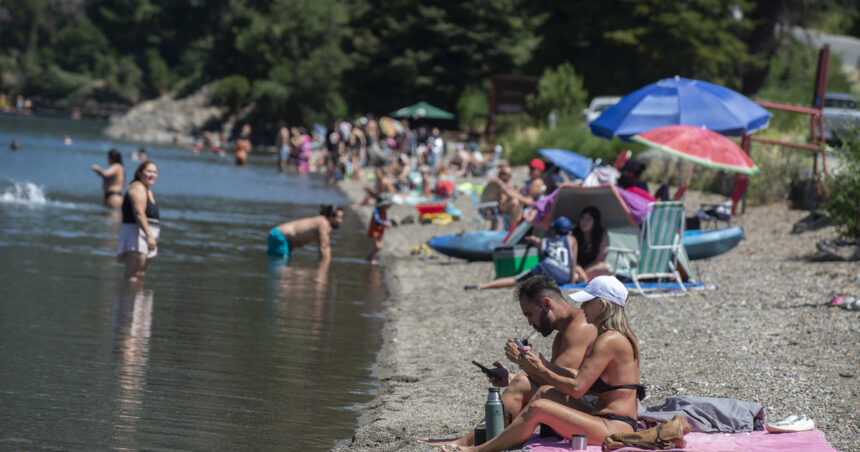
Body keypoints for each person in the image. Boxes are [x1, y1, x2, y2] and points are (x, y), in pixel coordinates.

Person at [455, 276, 643, 451]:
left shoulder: (608, 339)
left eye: (587, 302)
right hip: (609, 418)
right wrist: (539, 366)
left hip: (613, 426)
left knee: (540, 407)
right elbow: (576, 377)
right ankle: (493, 440)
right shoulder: (618, 336)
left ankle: (479, 449)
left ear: (601, 305)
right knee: (545, 393)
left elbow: (577, 388)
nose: (582, 306)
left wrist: (536, 367)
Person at [425, 274, 597, 448]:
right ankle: (484, 441)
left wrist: (522, 362)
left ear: (546, 304)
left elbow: (561, 386)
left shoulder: (579, 328)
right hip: (581, 407)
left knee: (521, 383)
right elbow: (552, 381)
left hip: (593, 415)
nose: (530, 323)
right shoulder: (564, 333)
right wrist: (510, 377)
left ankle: (475, 443)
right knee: (519, 382)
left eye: (530, 314)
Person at [465, 217, 576, 291]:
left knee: (516, 280)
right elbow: (573, 263)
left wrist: (529, 238)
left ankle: (483, 286)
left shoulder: (545, 241)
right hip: (563, 276)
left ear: (554, 231)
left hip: (547, 268)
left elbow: (536, 240)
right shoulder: (572, 240)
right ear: (569, 231)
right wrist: (571, 284)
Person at [117, 161, 160, 283]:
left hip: (145, 237)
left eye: (155, 172)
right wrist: (150, 236)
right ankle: (128, 300)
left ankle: (138, 301)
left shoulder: (148, 191)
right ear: (140, 173)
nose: (152, 175)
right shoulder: (138, 188)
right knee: (133, 276)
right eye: (149, 171)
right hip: (136, 236)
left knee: (139, 275)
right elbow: (139, 213)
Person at [266, 205, 343, 265]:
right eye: (339, 218)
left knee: (283, 264)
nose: (341, 221)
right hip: (280, 236)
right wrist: (325, 267)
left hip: (282, 237)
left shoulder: (322, 222)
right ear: (331, 217)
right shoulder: (323, 223)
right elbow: (324, 247)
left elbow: (325, 247)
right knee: (279, 264)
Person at [479, 164, 530, 230]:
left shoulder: (503, 183)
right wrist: (527, 201)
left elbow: (514, 192)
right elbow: (509, 193)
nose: (507, 177)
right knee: (514, 202)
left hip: (494, 208)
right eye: (503, 174)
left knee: (517, 201)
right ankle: (512, 230)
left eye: (509, 175)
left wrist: (521, 197)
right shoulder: (497, 181)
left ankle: (513, 228)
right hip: (488, 209)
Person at [572, 206, 611, 283]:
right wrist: (580, 271)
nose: (584, 222)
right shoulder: (573, 234)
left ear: (595, 222)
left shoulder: (602, 235)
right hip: (576, 268)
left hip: (592, 268)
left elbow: (599, 260)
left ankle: (583, 279)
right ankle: (583, 279)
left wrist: (584, 273)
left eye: (588, 219)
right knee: (575, 276)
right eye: (582, 218)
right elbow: (572, 259)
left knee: (607, 268)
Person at [366, 193, 393, 264]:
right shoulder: (376, 211)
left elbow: (387, 219)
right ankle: (371, 260)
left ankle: (369, 258)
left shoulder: (384, 212)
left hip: (380, 232)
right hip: (373, 232)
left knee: (379, 247)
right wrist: (384, 223)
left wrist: (389, 222)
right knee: (378, 247)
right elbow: (376, 219)